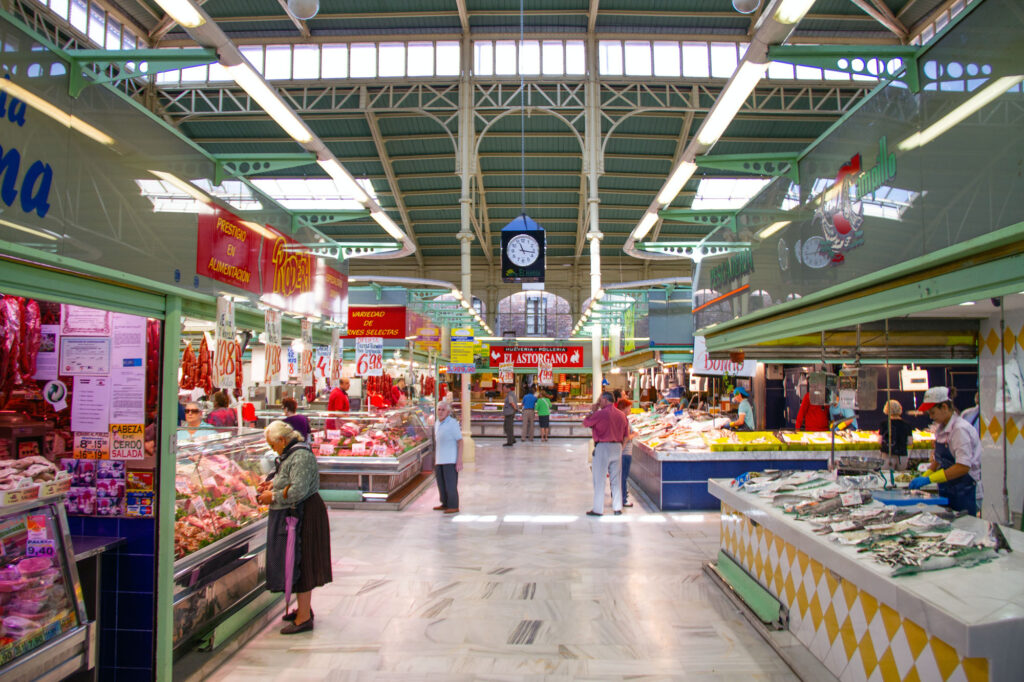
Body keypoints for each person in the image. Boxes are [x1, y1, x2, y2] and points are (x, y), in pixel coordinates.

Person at [258, 421, 332, 634]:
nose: (273, 449)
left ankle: (304, 618)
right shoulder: (291, 453)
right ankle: (303, 609)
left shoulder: (300, 456)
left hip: (305, 513)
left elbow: (298, 490)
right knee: (296, 561)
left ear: (283, 439)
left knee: (303, 561)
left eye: (274, 445)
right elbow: (289, 479)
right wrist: (273, 483)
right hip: (296, 512)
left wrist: (272, 496)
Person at [909, 386, 983, 515]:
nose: (931, 417)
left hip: (966, 491)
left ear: (944, 407)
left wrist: (930, 479)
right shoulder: (941, 429)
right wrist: (927, 474)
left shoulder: (960, 429)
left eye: (932, 412)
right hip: (949, 489)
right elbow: (939, 459)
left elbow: (963, 467)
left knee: (965, 529)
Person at [582, 392, 629, 516]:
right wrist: (621, 448)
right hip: (617, 447)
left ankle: (598, 509)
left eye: (599, 400)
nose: (598, 402)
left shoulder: (600, 414)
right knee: (616, 479)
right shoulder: (622, 415)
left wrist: (592, 410)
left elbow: (586, 423)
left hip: (603, 447)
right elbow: (626, 435)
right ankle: (617, 507)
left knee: (599, 479)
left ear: (604, 399)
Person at [432, 401, 463, 513]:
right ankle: (445, 503)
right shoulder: (437, 423)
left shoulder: (452, 423)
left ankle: (454, 506)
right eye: (439, 409)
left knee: (450, 484)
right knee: (441, 483)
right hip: (439, 458)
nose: (440, 412)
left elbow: (460, 441)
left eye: (443, 410)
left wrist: (459, 460)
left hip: (450, 459)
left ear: (448, 412)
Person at [879, 399, 913, 470]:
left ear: (886, 409)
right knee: (900, 478)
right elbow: (910, 442)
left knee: (887, 476)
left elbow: (879, 441)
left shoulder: (884, 424)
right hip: (902, 455)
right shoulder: (906, 424)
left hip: (887, 455)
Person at [616, 397, 638, 508]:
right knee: (623, 476)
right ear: (624, 408)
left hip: (619, 451)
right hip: (625, 452)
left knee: (619, 476)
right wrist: (634, 434)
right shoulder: (624, 419)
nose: (630, 410)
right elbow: (626, 437)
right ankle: (623, 499)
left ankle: (617, 496)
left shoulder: (619, 418)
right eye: (629, 408)